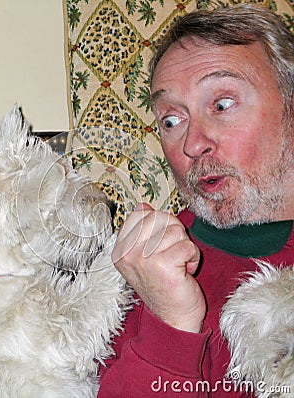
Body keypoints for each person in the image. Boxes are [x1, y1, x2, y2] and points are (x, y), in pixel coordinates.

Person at [98, 4, 294, 397]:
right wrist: (169, 327)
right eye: (171, 120)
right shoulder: (140, 269)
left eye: (222, 105)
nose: (192, 143)